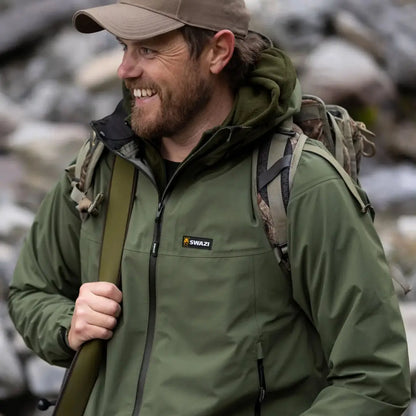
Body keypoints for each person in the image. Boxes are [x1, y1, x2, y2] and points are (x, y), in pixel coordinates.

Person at [8, 0, 411, 415]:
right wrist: (67, 325)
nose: (125, 70)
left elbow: (375, 378)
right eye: (124, 46)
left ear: (218, 51)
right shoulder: (103, 163)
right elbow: (29, 292)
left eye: (149, 49)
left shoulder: (300, 184)